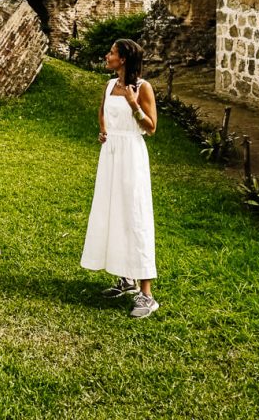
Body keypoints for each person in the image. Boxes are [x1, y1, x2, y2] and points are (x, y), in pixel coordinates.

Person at [80, 38, 159, 318]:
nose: (107, 55)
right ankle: (125, 280)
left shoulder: (142, 88)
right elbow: (102, 112)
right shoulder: (109, 84)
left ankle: (146, 294)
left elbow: (151, 128)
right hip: (111, 154)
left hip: (132, 157)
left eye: (112, 52)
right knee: (111, 212)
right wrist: (104, 131)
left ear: (123, 58)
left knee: (135, 216)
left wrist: (133, 103)